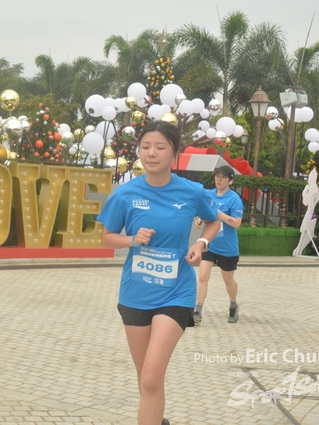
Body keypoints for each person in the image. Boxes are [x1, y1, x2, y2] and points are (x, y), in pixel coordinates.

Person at [97, 121, 220, 425]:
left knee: (152, 377)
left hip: (176, 292)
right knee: (145, 380)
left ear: (175, 153)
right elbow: (107, 237)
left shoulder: (192, 191)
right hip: (135, 294)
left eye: (160, 147)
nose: (151, 153)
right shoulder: (125, 194)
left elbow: (213, 221)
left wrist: (201, 244)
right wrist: (131, 239)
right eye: (146, 147)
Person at [193, 165, 243, 324]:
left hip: (227, 247)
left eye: (223, 177)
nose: (219, 180)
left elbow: (237, 223)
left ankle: (233, 305)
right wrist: (200, 219)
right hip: (209, 243)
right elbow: (205, 213)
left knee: (228, 280)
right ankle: (197, 311)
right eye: (217, 176)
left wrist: (220, 214)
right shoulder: (209, 195)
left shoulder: (234, 199)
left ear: (230, 181)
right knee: (203, 277)